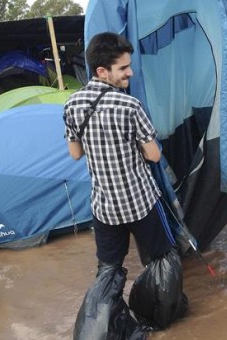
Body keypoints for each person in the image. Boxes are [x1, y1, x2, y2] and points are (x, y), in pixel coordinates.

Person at [63, 32, 173, 272]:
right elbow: (154, 155)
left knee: (108, 270)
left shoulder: (72, 104)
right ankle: (162, 309)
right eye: (124, 68)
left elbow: (75, 153)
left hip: (105, 207)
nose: (130, 73)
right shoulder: (130, 105)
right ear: (102, 71)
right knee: (160, 263)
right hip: (140, 202)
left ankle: (108, 309)